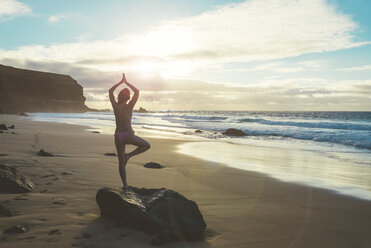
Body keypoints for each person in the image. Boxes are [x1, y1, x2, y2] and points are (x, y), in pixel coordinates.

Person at [109, 73, 150, 190]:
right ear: (128, 97)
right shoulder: (129, 106)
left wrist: (119, 83)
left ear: (120, 96)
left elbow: (110, 91)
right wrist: (126, 83)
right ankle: (129, 155)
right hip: (128, 135)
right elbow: (137, 92)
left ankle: (125, 185)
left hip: (118, 135)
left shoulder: (115, 106)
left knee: (121, 162)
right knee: (146, 145)